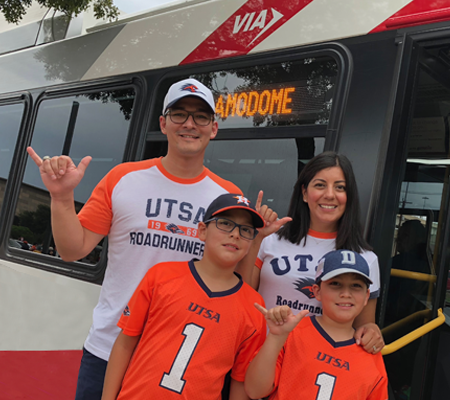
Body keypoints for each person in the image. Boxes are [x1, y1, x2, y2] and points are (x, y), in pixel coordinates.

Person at [26, 78, 243, 400]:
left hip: (178, 360)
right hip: (108, 347)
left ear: (213, 128)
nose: (189, 124)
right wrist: (61, 197)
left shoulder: (229, 196)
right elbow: (73, 250)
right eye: (179, 114)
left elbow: (232, 280)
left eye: (201, 117)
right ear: (163, 123)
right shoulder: (123, 178)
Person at [101, 193, 267, 400]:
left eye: (246, 230)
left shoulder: (254, 306)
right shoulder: (162, 276)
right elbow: (125, 344)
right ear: (202, 231)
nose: (235, 234)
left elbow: (239, 381)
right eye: (225, 223)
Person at [236, 151, 384, 354]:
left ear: (349, 196)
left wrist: (372, 332)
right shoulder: (270, 238)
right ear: (304, 193)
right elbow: (242, 295)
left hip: (315, 364)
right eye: (320, 185)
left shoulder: (366, 259)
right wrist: (256, 239)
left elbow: (364, 325)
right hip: (259, 353)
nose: (330, 194)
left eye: (340, 187)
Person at [245, 249, 388, 400]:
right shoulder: (292, 333)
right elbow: (255, 391)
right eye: (336, 284)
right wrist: (275, 337)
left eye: (356, 286)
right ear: (317, 291)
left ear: (366, 296)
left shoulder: (370, 352)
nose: (346, 293)